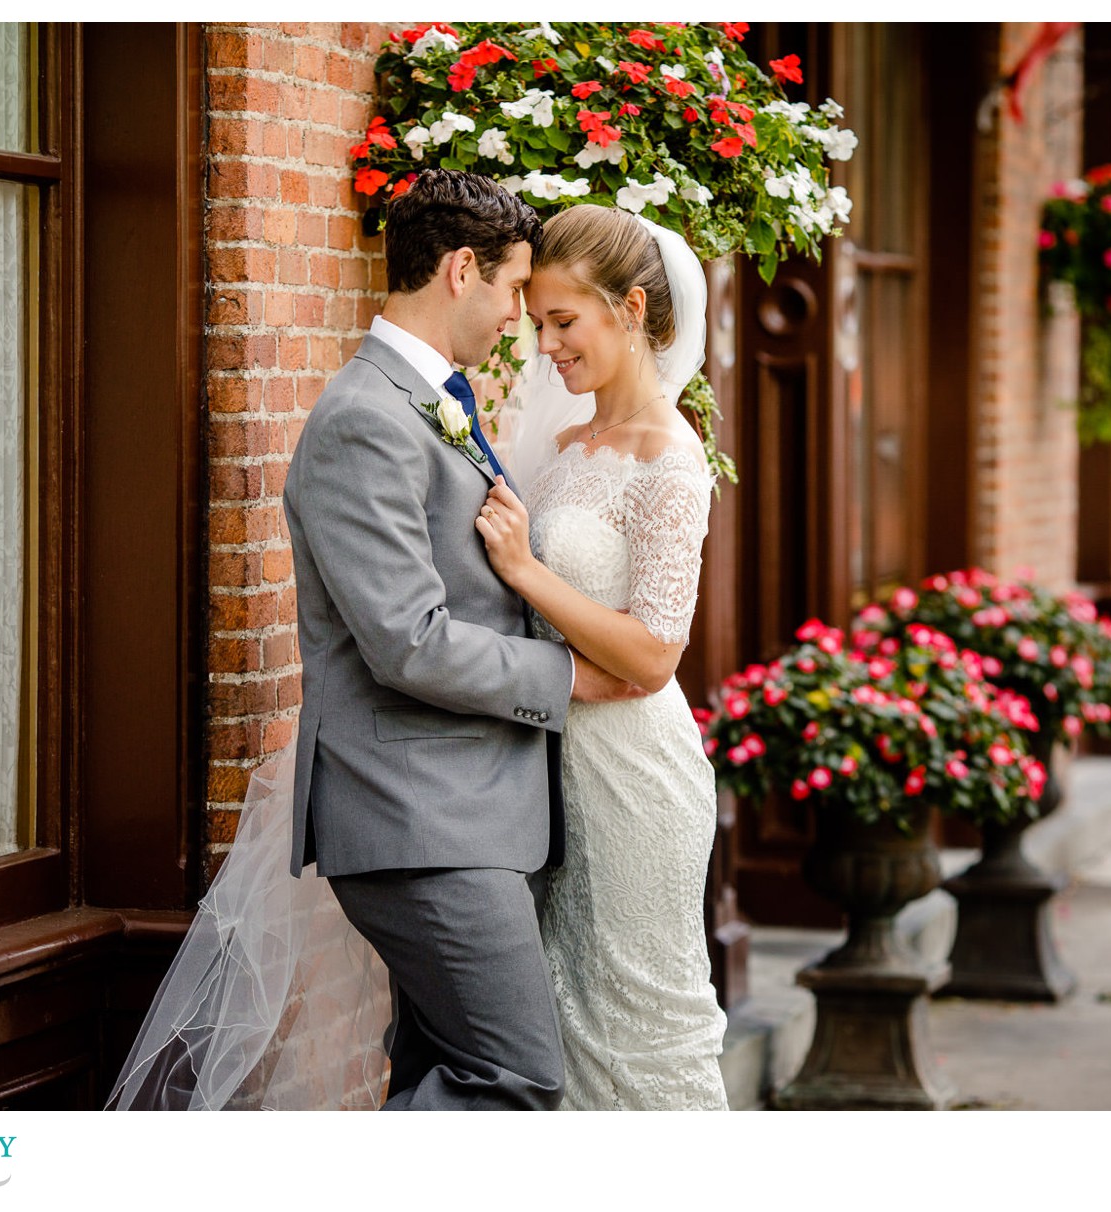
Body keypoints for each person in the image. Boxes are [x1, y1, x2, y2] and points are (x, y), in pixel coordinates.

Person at [107, 179, 726, 1113]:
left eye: (554, 313)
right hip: (427, 810)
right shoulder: (369, 415)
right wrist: (565, 673)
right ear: (461, 269)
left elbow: (605, 626)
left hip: (533, 797)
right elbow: (409, 640)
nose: (528, 327)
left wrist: (539, 596)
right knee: (514, 1075)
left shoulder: (442, 401)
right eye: (520, 295)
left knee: (464, 1067)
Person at [480, 203, 729, 1110]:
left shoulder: (673, 462)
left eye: (563, 322)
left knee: (638, 1032)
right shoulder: (561, 446)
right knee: (566, 1026)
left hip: (634, 776)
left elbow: (656, 653)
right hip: (554, 770)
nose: (546, 345)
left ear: (630, 308)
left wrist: (522, 568)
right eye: (538, 322)